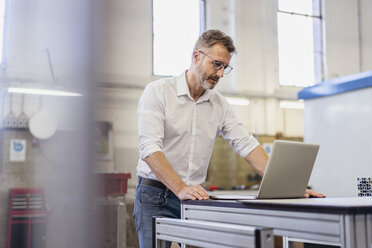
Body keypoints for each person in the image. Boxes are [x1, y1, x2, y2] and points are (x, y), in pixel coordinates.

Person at [133, 29, 325, 247]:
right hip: (155, 195)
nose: (221, 74)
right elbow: (149, 148)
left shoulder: (219, 104)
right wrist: (180, 188)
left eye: (225, 67)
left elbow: (246, 144)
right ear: (196, 56)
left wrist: (288, 187)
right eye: (216, 64)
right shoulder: (158, 92)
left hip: (195, 198)